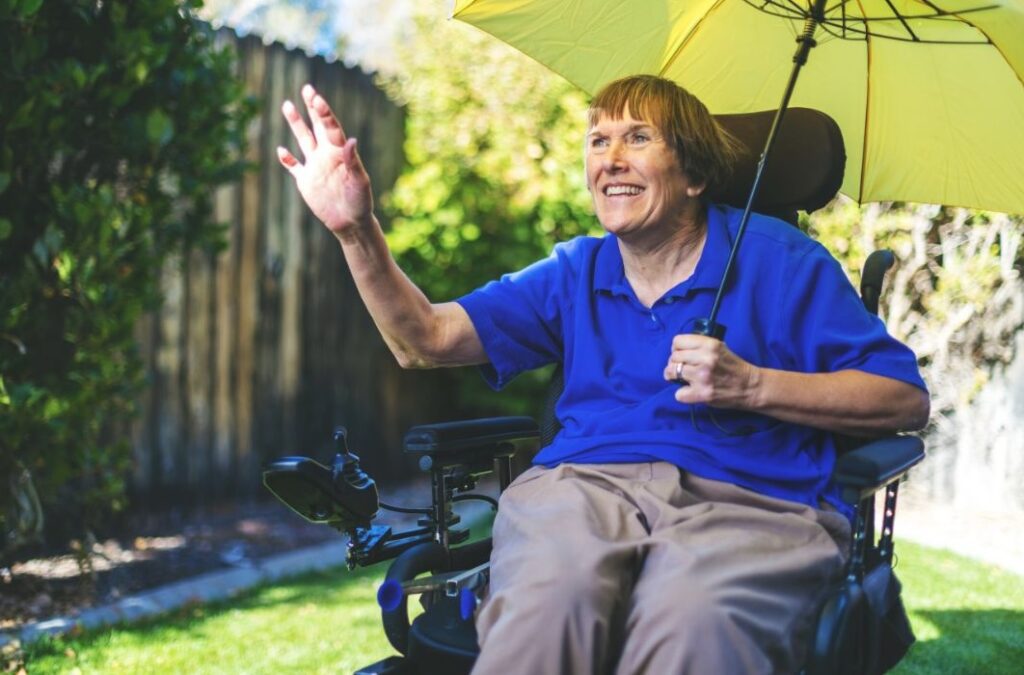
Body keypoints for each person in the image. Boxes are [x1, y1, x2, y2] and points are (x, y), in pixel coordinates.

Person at [278, 75, 929, 674]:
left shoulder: (785, 262)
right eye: (598, 140)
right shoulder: (576, 272)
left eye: (638, 138)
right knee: (549, 596)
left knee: (693, 621)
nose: (610, 158)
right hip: (584, 488)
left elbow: (902, 399)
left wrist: (754, 384)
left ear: (694, 175)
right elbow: (426, 338)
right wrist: (356, 230)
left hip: (752, 499)